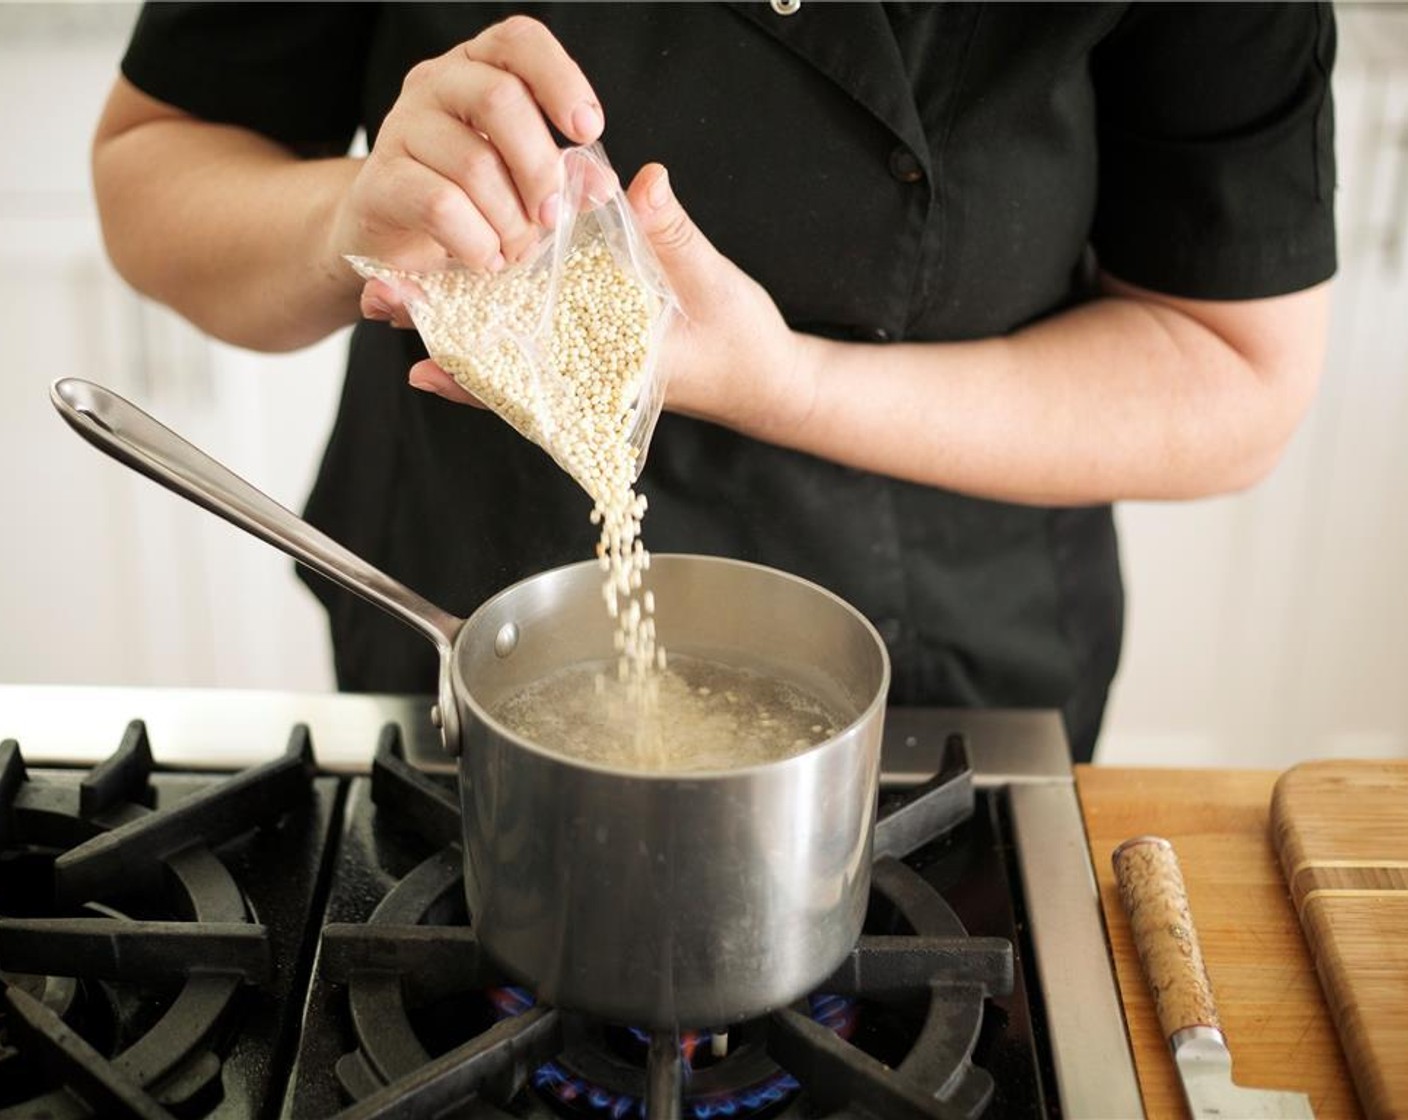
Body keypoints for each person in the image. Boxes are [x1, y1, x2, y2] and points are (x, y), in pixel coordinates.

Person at [92, 3, 1337, 764]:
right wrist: (345, 218)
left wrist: (786, 384)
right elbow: (153, 168)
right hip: (461, 613)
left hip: (945, 687)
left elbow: (1233, 372)